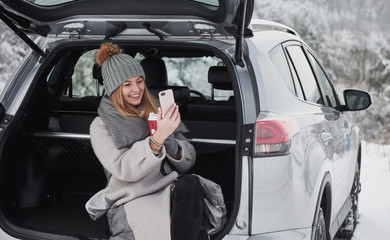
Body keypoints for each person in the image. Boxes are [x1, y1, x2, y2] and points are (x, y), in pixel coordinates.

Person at [87, 42, 203, 240]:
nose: (136, 89)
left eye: (139, 81)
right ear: (113, 88)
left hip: (168, 186)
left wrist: (170, 141)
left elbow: (188, 161)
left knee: (192, 184)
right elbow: (124, 169)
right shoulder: (100, 125)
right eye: (127, 84)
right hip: (131, 195)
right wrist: (156, 140)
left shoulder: (157, 109)